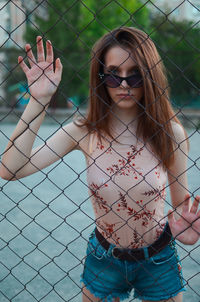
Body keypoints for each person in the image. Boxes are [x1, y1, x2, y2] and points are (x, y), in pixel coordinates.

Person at [0, 27, 200, 302]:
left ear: (150, 76)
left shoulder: (170, 133)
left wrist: (187, 227)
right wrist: (39, 99)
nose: (125, 84)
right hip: (105, 256)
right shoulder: (85, 131)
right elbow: (10, 169)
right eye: (113, 74)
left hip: (158, 257)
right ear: (100, 77)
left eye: (135, 74)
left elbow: (181, 204)